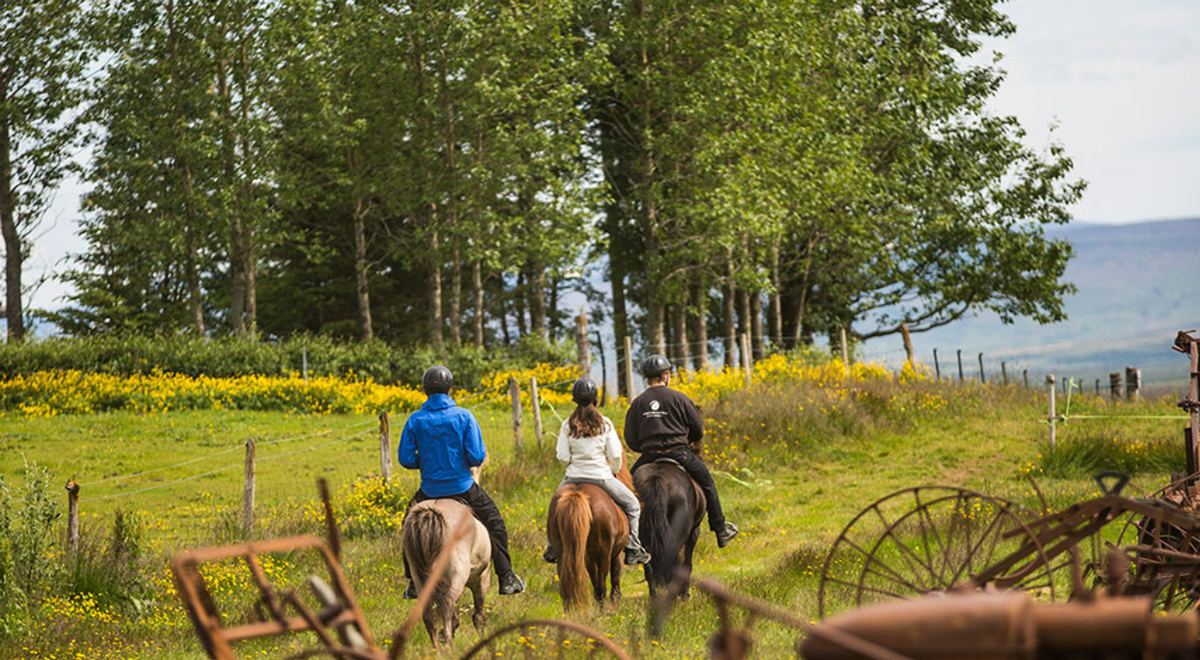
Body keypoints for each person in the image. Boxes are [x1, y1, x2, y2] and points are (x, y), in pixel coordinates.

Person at [398, 364, 526, 598]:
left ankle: (413, 582)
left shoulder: (415, 420)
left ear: (425, 390)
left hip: (429, 491)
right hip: (463, 488)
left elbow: (405, 459)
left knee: (408, 525)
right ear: (450, 389)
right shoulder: (464, 417)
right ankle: (506, 577)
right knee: (495, 523)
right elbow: (476, 456)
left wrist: (427, 462)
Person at [625, 354, 738, 547]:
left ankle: (628, 541)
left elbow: (630, 438)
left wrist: (643, 448)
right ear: (665, 375)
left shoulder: (637, 403)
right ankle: (720, 530)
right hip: (679, 452)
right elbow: (698, 428)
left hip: (649, 456)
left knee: (625, 490)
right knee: (708, 483)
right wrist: (688, 441)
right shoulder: (679, 398)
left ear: (647, 377)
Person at [542, 376, 653, 566]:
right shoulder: (605, 423)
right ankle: (633, 548)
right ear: (596, 399)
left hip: (573, 477)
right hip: (601, 477)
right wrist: (614, 470)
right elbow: (615, 454)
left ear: (574, 400)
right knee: (633, 505)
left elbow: (562, 455)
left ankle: (552, 546)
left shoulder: (567, 424)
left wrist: (571, 465)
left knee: (554, 508)